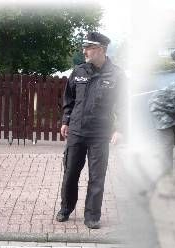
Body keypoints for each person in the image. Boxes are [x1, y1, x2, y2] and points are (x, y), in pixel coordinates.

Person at [56, 31, 124, 230]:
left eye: (88, 47)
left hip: (99, 134)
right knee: (70, 174)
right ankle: (66, 209)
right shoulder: (78, 72)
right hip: (76, 131)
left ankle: (92, 216)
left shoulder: (117, 75)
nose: (84, 51)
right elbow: (69, 100)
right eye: (84, 47)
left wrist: (119, 129)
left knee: (97, 177)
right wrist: (66, 121)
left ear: (101, 50)